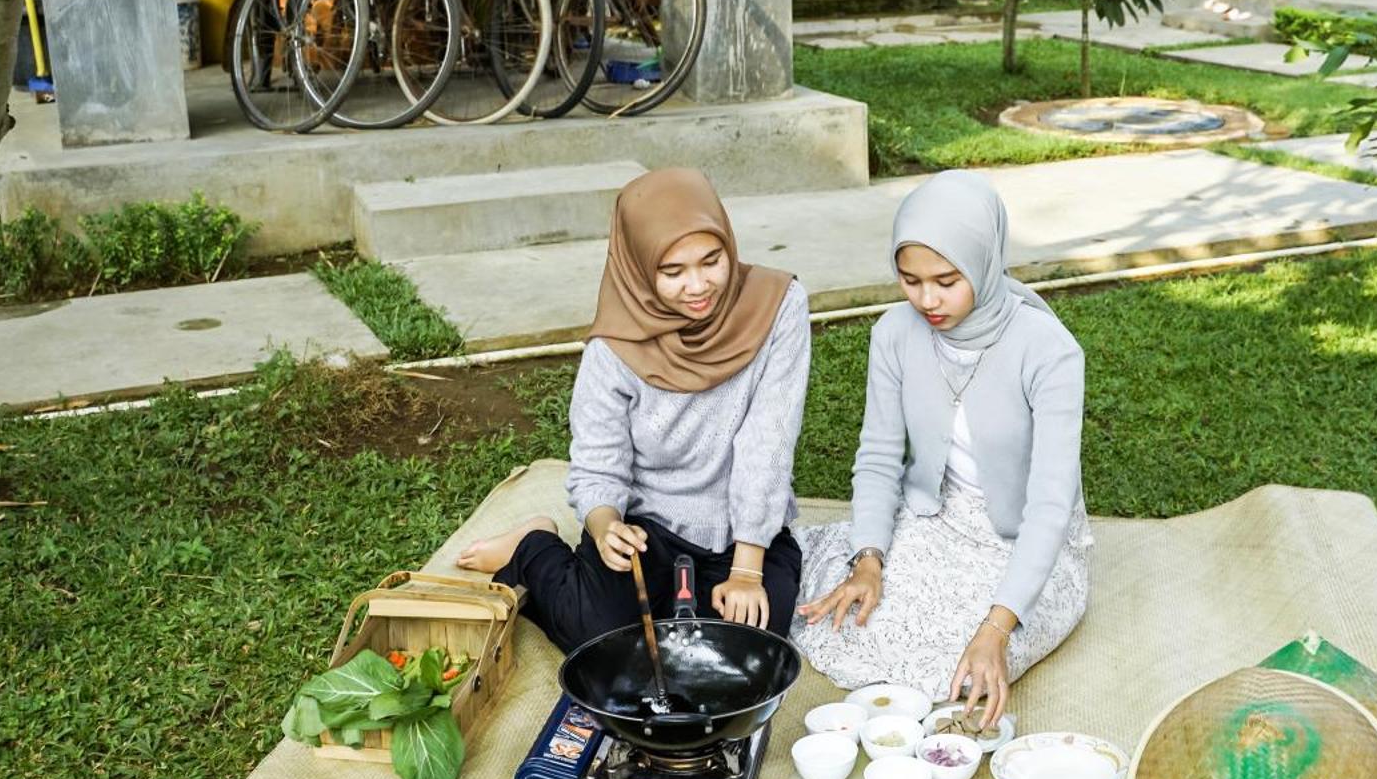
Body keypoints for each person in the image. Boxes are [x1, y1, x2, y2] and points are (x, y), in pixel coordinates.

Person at [455, 167, 810, 649]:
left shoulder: (776, 306)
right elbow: (598, 463)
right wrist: (605, 528)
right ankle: (532, 546)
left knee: (743, 651)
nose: (699, 286)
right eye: (673, 272)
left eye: (712, 261)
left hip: (742, 533)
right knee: (604, 642)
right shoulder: (612, 348)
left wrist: (747, 570)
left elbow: (768, 440)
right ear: (641, 267)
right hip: (649, 528)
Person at [792, 171, 1090, 727]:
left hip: (1025, 540)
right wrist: (869, 559)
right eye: (910, 281)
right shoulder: (894, 334)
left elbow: (1050, 506)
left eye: (947, 280)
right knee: (847, 620)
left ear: (983, 260)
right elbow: (879, 456)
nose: (927, 300)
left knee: (959, 666)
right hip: (935, 518)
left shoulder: (1049, 351)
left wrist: (996, 628)